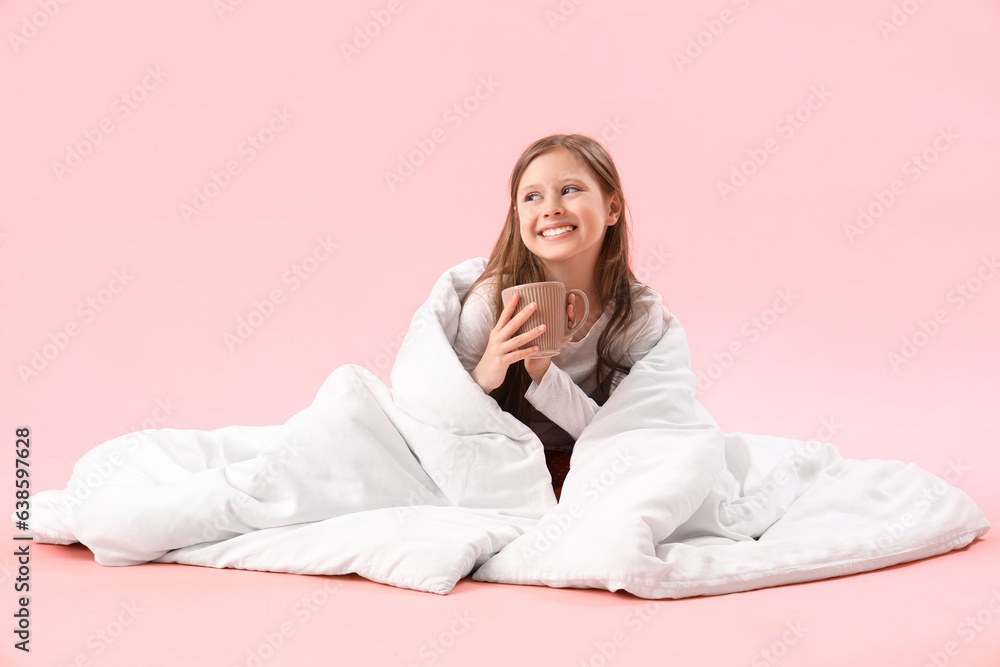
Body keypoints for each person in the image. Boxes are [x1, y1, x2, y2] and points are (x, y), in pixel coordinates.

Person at [453, 134, 666, 500]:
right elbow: (444, 422)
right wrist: (488, 370)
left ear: (612, 208)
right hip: (497, 468)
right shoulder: (489, 303)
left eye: (569, 189)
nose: (550, 208)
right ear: (518, 215)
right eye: (532, 197)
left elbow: (627, 435)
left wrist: (543, 374)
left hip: (589, 466)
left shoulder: (636, 313)